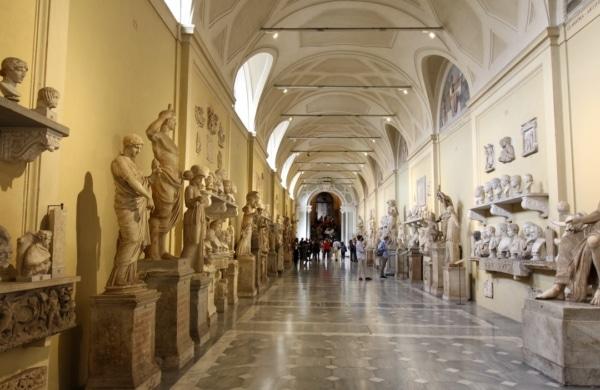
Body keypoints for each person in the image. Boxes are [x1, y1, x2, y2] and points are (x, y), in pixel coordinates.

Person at [107, 134, 153, 288]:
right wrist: (148, 196)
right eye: (136, 147)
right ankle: (118, 278)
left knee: (138, 241)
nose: (138, 151)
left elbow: (141, 182)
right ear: (127, 145)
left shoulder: (132, 164)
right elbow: (132, 183)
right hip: (126, 206)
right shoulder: (120, 162)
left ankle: (129, 276)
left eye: (140, 147)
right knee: (131, 239)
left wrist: (152, 177)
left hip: (137, 206)